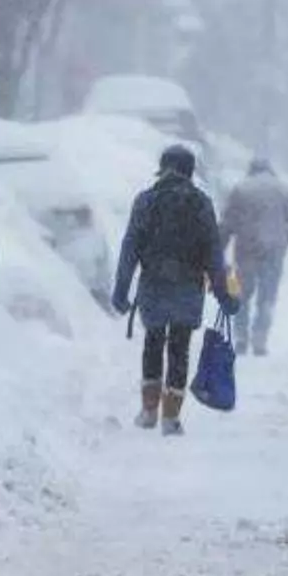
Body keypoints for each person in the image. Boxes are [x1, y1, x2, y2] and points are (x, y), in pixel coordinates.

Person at [113, 144, 238, 436]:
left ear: (163, 168)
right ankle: (170, 417)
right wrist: (223, 294)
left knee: (153, 343)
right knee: (179, 348)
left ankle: (148, 411)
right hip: (187, 286)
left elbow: (129, 248)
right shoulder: (200, 203)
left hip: (154, 285)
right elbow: (213, 254)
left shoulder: (146, 201)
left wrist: (121, 289)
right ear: (190, 171)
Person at [221, 155, 288, 356]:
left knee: (240, 294)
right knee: (267, 296)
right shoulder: (285, 190)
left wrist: (219, 249)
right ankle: (260, 339)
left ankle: (241, 337)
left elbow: (227, 222)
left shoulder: (241, 189)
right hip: (274, 251)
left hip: (246, 248)